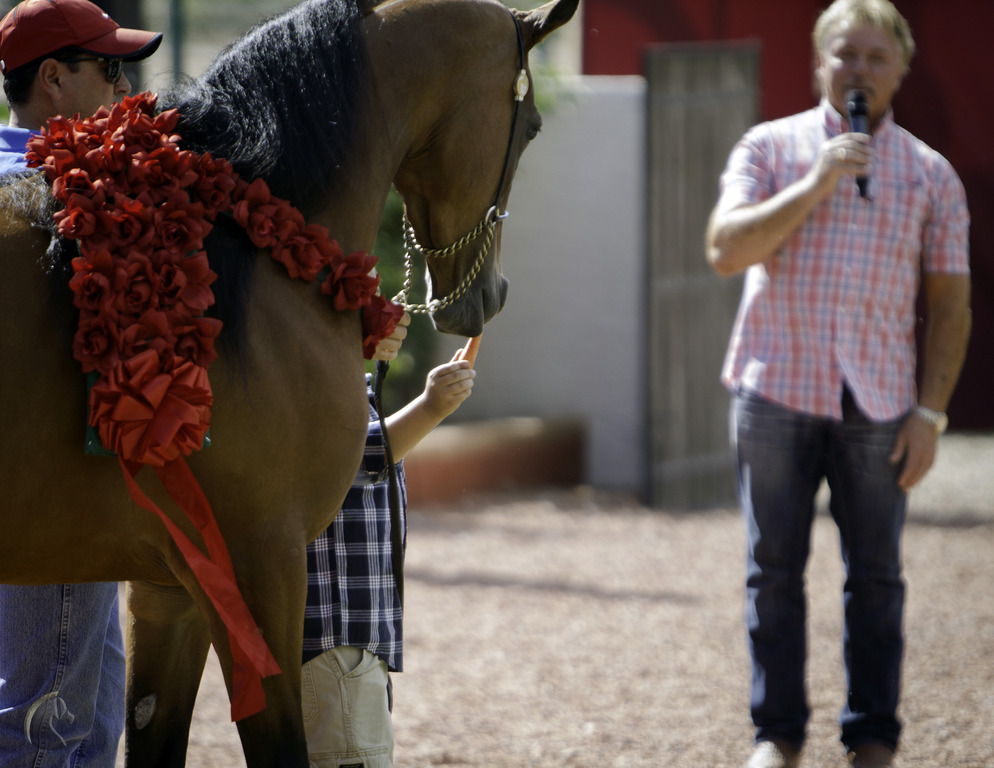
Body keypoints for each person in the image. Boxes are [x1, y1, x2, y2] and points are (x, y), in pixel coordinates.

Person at [704, 1, 971, 767]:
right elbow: (725, 249)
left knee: (878, 580)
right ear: (820, 62)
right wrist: (818, 181)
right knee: (773, 573)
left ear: (901, 69)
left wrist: (931, 413)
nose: (860, 70)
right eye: (845, 54)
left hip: (881, 405)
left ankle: (873, 738)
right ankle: (777, 736)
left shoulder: (931, 174)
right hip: (775, 389)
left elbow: (951, 307)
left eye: (876, 57)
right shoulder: (770, 147)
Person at [0, 1, 161, 765]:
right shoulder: (42, 197)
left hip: (68, 500)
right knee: (44, 725)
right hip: (51, 491)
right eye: (111, 69)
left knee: (90, 724)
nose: (125, 87)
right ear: (55, 78)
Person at [301, 316, 477, 768]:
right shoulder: (305, 385)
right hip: (334, 642)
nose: (388, 310)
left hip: (345, 646)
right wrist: (431, 407)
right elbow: (352, 458)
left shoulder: (340, 384)